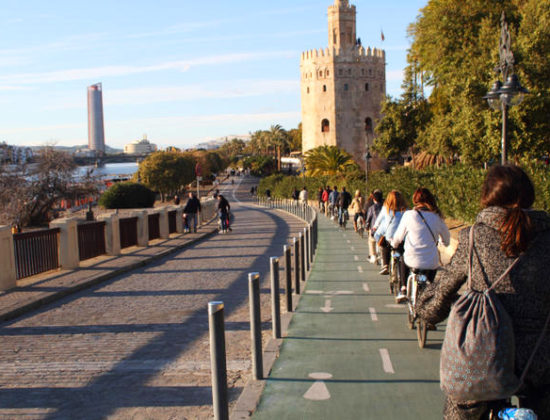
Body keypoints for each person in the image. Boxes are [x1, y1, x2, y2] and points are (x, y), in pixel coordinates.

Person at [416, 165, 550, 419]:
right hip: (540, 362)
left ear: (488, 197)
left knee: (463, 407)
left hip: (483, 358)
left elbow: (441, 294)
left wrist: (428, 310)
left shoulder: (474, 236)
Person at [391, 187, 450, 303]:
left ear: (415, 200)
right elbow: (446, 241)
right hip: (431, 262)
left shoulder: (409, 215)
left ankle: (403, 288)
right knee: (429, 283)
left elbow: (398, 237)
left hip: (411, 259)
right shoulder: (437, 217)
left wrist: (394, 244)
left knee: (402, 258)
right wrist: (442, 242)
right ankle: (428, 295)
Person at [372, 190, 407, 276]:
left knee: (385, 245)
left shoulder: (386, 209)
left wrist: (375, 227)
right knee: (402, 251)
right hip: (402, 238)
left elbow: (379, 220)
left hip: (389, 237)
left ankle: (386, 265)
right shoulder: (406, 210)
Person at [366, 189, 383, 263]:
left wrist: (367, 227)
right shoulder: (385, 207)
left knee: (371, 241)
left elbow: (368, 219)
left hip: (374, 229)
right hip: (383, 230)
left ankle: (373, 255)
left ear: (374, 199)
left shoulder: (372, 208)